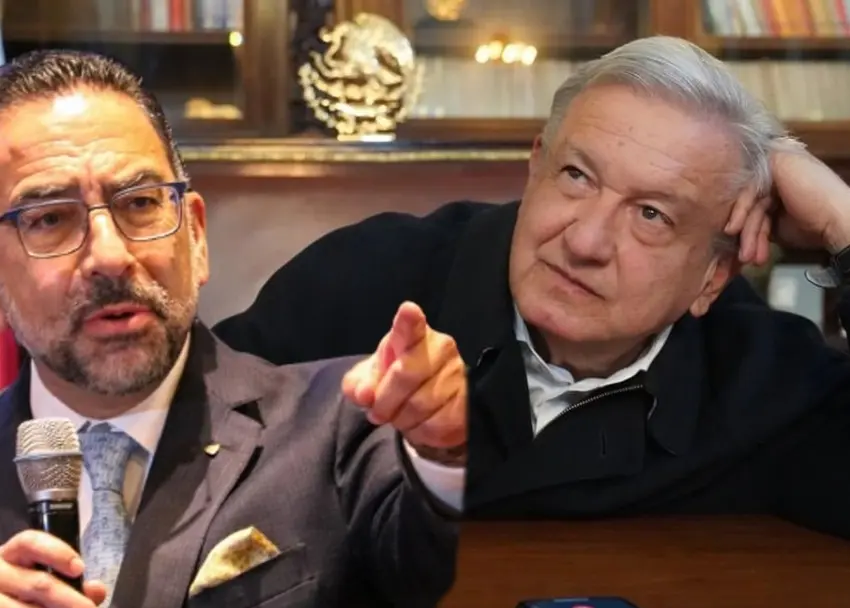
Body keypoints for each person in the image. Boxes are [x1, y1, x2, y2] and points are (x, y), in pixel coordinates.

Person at [215, 35, 850, 537]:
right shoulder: (365, 279)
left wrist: (842, 223)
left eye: (652, 214)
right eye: (576, 176)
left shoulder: (763, 377)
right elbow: (185, 451)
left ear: (713, 276)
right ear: (535, 166)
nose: (586, 241)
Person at [0, 50, 464, 608]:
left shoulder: (344, 424)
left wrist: (449, 454)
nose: (111, 256)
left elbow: (438, 562)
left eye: (140, 204)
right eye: (49, 218)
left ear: (196, 236)